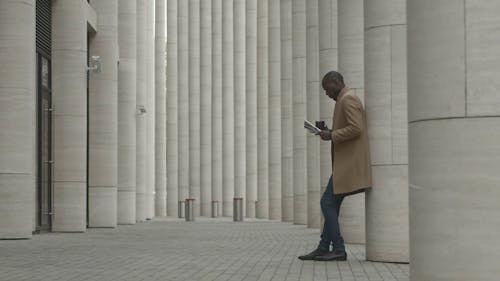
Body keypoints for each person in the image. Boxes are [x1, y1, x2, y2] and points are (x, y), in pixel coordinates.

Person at [298, 71, 372, 261]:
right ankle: (324, 247)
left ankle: (338, 248)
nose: (326, 93)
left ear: (335, 82)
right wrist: (328, 132)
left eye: (326, 88)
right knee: (331, 204)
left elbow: (357, 128)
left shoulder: (347, 100)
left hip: (349, 164)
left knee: (326, 202)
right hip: (345, 164)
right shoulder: (343, 100)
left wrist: (331, 135)